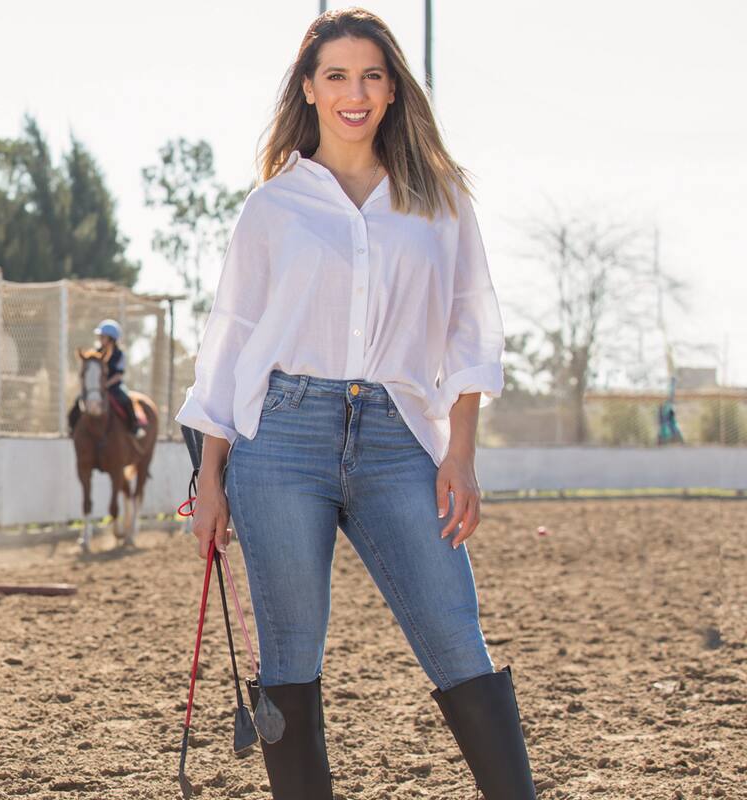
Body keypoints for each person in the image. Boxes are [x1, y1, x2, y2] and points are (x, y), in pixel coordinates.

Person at [177, 9, 535, 799]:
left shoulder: (438, 200)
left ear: (394, 89)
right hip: (282, 439)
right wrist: (210, 475)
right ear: (308, 89)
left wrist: (461, 452)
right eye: (336, 75)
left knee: (455, 633)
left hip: (399, 436)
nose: (355, 92)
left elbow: (472, 327)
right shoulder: (272, 208)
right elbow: (231, 338)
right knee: (291, 655)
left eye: (372, 75)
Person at [94, 319, 144, 439]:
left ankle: (135, 426)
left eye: (103, 336)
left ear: (111, 338)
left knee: (126, 400)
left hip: (114, 386)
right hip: (97, 387)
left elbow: (119, 375)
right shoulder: (97, 353)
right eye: (100, 336)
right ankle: (73, 426)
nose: (100, 338)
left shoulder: (119, 354)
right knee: (80, 400)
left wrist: (106, 385)